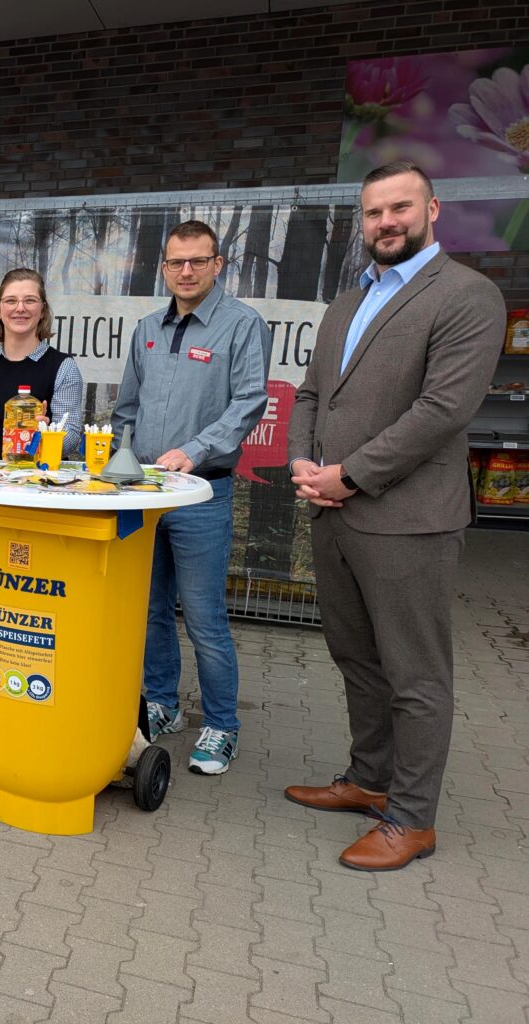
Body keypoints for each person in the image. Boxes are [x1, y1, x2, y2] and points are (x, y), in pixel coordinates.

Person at [286, 162, 505, 871]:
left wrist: (348, 475)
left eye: (400, 208)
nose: (387, 222)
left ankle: (411, 820)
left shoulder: (469, 296)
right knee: (357, 659)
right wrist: (300, 463)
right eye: (375, 212)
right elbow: (314, 394)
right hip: (334, 513)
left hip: (408, 520)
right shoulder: (349, 303)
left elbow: (442, 411)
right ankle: (368, 779)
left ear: (432, 210)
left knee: (416, 676)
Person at [112, 219, 271, 775]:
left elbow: (249, 403)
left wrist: (194, 450)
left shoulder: (241, 325)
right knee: (152, 609)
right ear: (164, 267)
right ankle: (163, 704)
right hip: (145, 495)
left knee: (204, 617)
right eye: (176, 262)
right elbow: (127, 406)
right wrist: (120, 461)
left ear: (217, 264)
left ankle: (222, 726)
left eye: (197, 261)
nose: (186, 271)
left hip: (202, 492)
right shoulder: (148, 328)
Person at [0, 268, 83, 462]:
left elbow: (71, 436)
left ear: (42, 310)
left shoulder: (63, 367)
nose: (20, 308)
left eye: (30, 300)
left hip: (36, 488)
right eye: (11, 301)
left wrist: (48, 435)